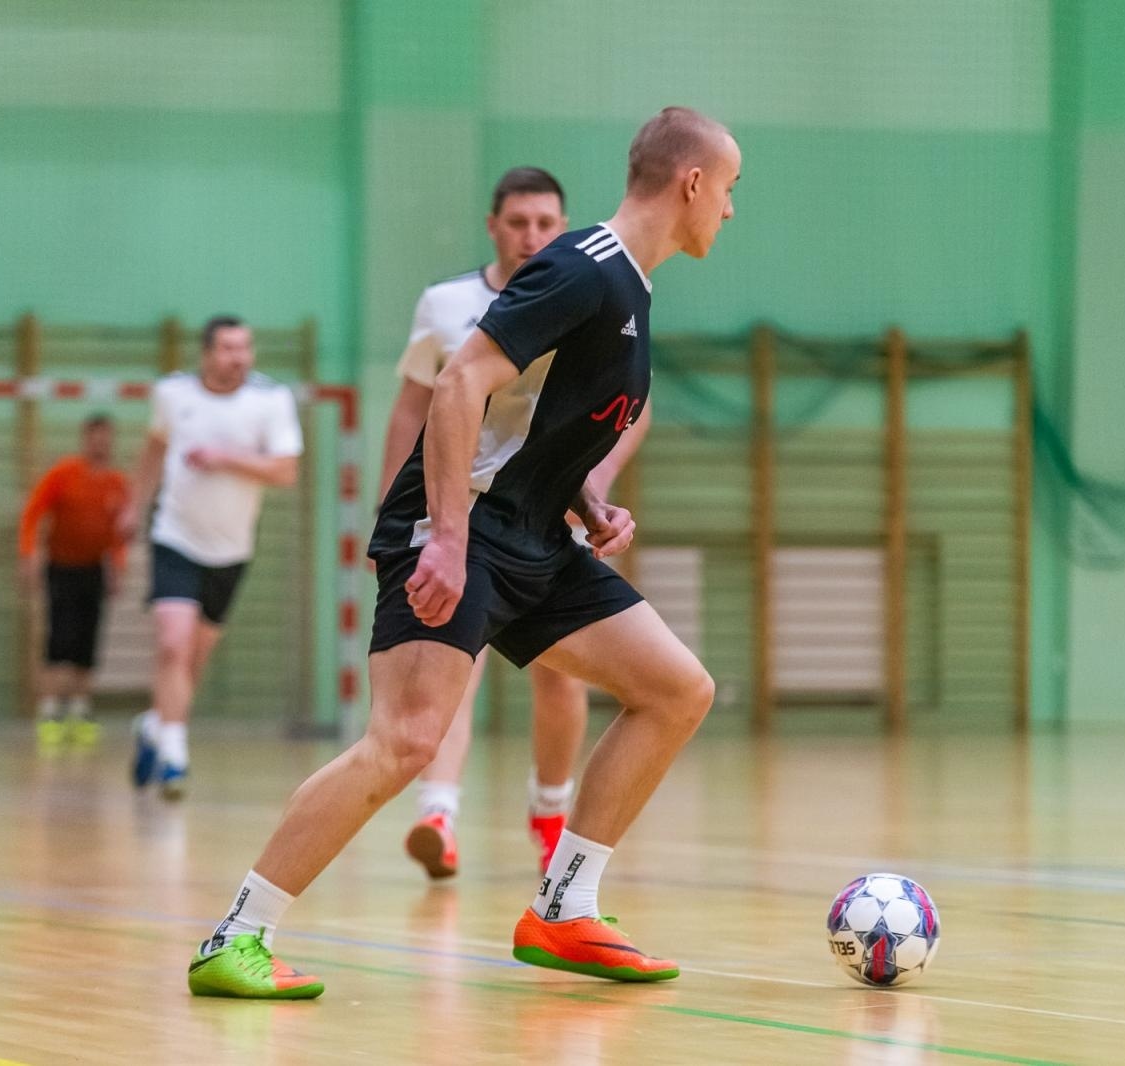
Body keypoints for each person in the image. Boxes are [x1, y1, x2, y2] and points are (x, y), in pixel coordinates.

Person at [187, 107, 738, 999]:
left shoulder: (630, 285)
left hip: (536, 536)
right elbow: (459, 381)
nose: (730, 209)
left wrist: (586, 495)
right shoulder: (583, 266)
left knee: (676, 691)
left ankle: (565, 909)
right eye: (731, 189)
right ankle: (235, 936)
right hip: (465, 532)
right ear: (692, 184)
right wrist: (443, 538)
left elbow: (535, 421)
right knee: (404, 741)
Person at [380, 166, 651, 880]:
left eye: (545, 223)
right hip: (457, 514)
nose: (532, 235)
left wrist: (593, 485)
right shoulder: (446, 306)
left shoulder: (584, 289)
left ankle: (551, 811)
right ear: (493, 226)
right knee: (451, 669)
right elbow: (418, 406)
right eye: (518, 222)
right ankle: (438, 811)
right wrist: (396, 520)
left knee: (565, 680)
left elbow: (632, 398)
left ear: (562, 228)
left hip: (545, 507)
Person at [120, 315, 304, 799]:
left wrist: (225, 458)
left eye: (245, 347)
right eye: (227, 348)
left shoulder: (270, 400)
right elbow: (154, 447)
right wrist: (134, 506)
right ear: (207, 353)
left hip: (230, 550)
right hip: (174, 538)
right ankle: (174, 759)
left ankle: (156, 725)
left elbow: (286, 471)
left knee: (194, 658)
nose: (238, 357)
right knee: (172, 645)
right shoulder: (173, 394)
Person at [18, 414, 130, 746]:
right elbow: (33, 511)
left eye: (106, 437)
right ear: (86, 438)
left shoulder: (116, 483)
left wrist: (118, 567)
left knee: (88, 638)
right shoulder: (64, 473)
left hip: (93, 569)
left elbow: (118, 535)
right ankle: (50, 709)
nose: (101, 443)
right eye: (95, 436)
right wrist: (28, 553)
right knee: (60, 637)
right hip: (61, 567)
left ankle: (80, 709)